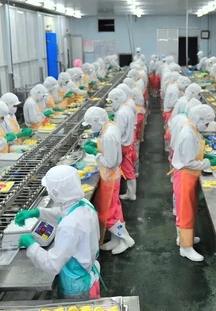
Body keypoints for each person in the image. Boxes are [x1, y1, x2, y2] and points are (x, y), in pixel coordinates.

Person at [16, 165, 101, 298]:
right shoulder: (84, 204)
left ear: (55, 192)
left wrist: (30, 245)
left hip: (77, 287)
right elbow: (63, 214)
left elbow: (52, 264)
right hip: (89, 274)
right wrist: (38, 212)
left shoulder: (68, 226)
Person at [82, 107, 135, 254]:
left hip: (110, 176)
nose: (91, 128)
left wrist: (95, 153)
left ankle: (126, 239)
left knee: (108, 212)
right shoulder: (109, 126)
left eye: (91, 124)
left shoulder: (108, 135)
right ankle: (116, 239)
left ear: (97, 120)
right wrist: (98, 147)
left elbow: (110, 162)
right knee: (115, 208)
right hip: (111, 175)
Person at [172, 104, 215, 262]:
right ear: (198, 119)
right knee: (186, 212)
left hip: (188, 176)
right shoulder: (188, 134)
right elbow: (189, 162)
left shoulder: (192, 128)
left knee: (186, 210)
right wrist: (206, 163)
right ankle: (186, 248)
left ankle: (183, 238)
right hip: (186, 176)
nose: (208, 125)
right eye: (207, 122)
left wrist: (204, 158)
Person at [107, 87, 137, 201]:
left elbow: (119, 132)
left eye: (111, 101)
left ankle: (131, 194)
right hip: (128, 143)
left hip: (123, 145)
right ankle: (130, 192)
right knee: (128, 169)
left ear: (117, 99)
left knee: (128, 170)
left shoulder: (121, 113)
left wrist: (110, 126)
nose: (111, 104)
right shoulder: (126, 108)